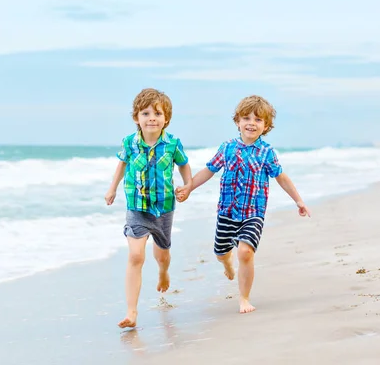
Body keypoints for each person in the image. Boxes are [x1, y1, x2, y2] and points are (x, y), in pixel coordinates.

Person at [178, 95, 310, 314]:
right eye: (246, 118)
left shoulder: (266, 152)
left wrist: (299, 201)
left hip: (253, 213)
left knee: (246, 252)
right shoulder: (227, 148)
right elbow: (209, 170)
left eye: (258, 120)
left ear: (266, 126)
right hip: (227, 212)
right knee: (221, 252)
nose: (251, 123)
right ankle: (226, 262)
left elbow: (282, 177)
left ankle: (244, 298)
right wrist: (189, 187)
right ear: (237, 121)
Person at [105, 88, 192, 328]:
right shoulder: (129, 143)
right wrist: (112, 188)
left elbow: (184, 165)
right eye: (145, 113)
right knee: (135, 255)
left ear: (166, 119)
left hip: (164, 207)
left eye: (157, 113)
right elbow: (121, 166)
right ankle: (131, 312)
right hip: (137, 206)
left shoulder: (172, 143)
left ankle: (163, 272)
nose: (151, 117)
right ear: (136, 118)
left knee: (162, 253)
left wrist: (189, 185)